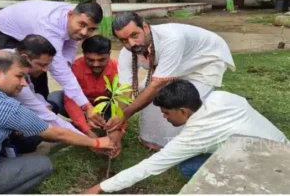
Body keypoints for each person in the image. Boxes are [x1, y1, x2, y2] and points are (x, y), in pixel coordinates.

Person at [83, 80, 290, 194]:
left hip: (270, 171)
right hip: (282, 148)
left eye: (166, 113)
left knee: (187, 167)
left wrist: (100, 187)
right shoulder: (222, 97)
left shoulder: (197, 135)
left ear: (183, 111)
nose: (164, 117)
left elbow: (150, 166)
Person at [0, 51, 115, 194]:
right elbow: (57, 133)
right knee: (42, 164)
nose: (24, 83)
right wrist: (96, 142)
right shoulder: (7, 108)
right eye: (19, 76)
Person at [98, 11, 236, 149]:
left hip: (203, 63)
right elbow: (125, 90)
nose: (131, 43)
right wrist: (118, 118)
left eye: (134, 35)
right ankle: (153, 141)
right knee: (151, 99)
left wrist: (125, 115)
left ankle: (194, 142)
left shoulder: (172, 39)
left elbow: (156, 85)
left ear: (145, 28)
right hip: (174, 67)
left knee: (184, 104)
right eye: (124, 40)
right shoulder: (126, 53)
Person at [0, 0, 105, 127]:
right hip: (6, 31)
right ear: (70, 14)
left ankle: (42, 117)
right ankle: (21, 122)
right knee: (22, 73)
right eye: (82, 24)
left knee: (41, 69)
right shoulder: (50, 26)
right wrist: (86, 106)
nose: (84, 32)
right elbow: (60, 71)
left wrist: (67, 64)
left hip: (30, 26)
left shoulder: (74, 18)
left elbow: (70, 44)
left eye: (91, 29)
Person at [0, 35, 84, 153]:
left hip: (1, 114)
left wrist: (43, 107)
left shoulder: (13, 59)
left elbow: (31, 95)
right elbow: (43, 114)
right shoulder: (9, 71)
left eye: (48, 65)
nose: (46, 70)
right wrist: (87, 139)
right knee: (33, 138)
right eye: (42, 65)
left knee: (50, 106)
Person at [48, 35, 127, 157]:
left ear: (109, 54)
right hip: (82, 107)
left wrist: (118, 131)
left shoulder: (119, 69)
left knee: (117, 107)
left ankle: (100, 126)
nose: (96, 64)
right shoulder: (75, 67)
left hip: (105, 109)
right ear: (83, 54)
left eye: (101, 60)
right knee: (54, 98)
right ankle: (74, 126)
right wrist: (88, 132)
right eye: (90, 60)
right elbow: (71, 101)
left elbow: (123, 103)